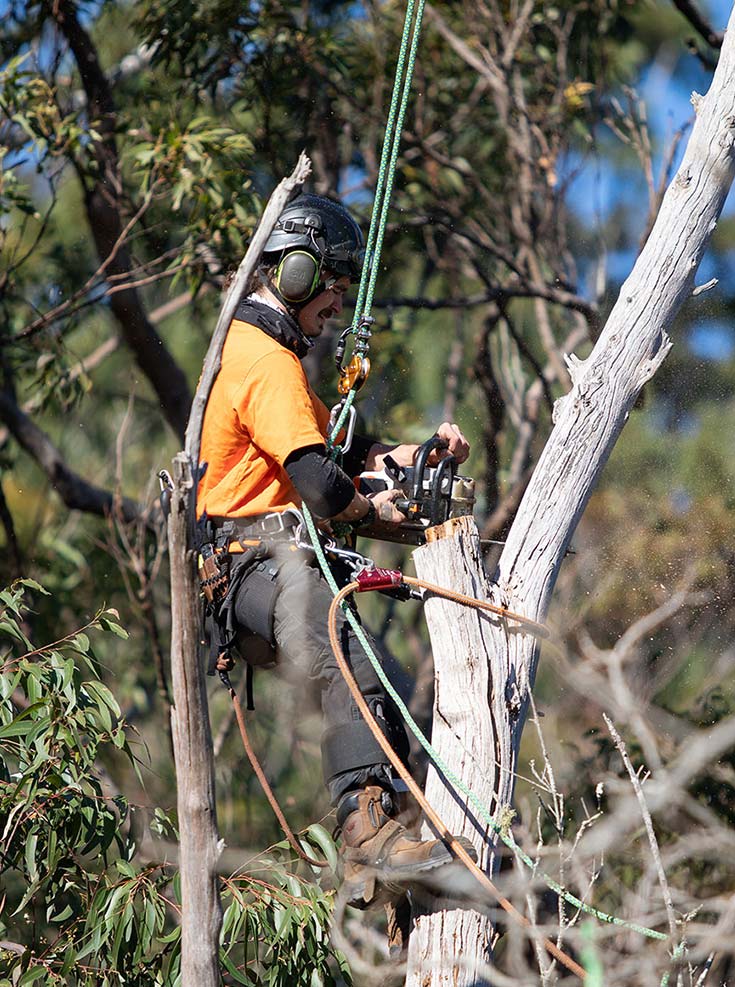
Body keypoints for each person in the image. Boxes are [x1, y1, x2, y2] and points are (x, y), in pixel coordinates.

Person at [196, 192, 472, 909]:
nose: (338, 307)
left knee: (391, 681)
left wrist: (417, 461)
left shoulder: (275, 362)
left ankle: (409, 845)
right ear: (293, 271)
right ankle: (365, 834)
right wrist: (367, 507)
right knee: (337, 636)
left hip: (271, 566)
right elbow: (320, 480)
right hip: (247, 568)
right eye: (333, 288)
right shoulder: (261, 358)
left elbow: (345, 450)